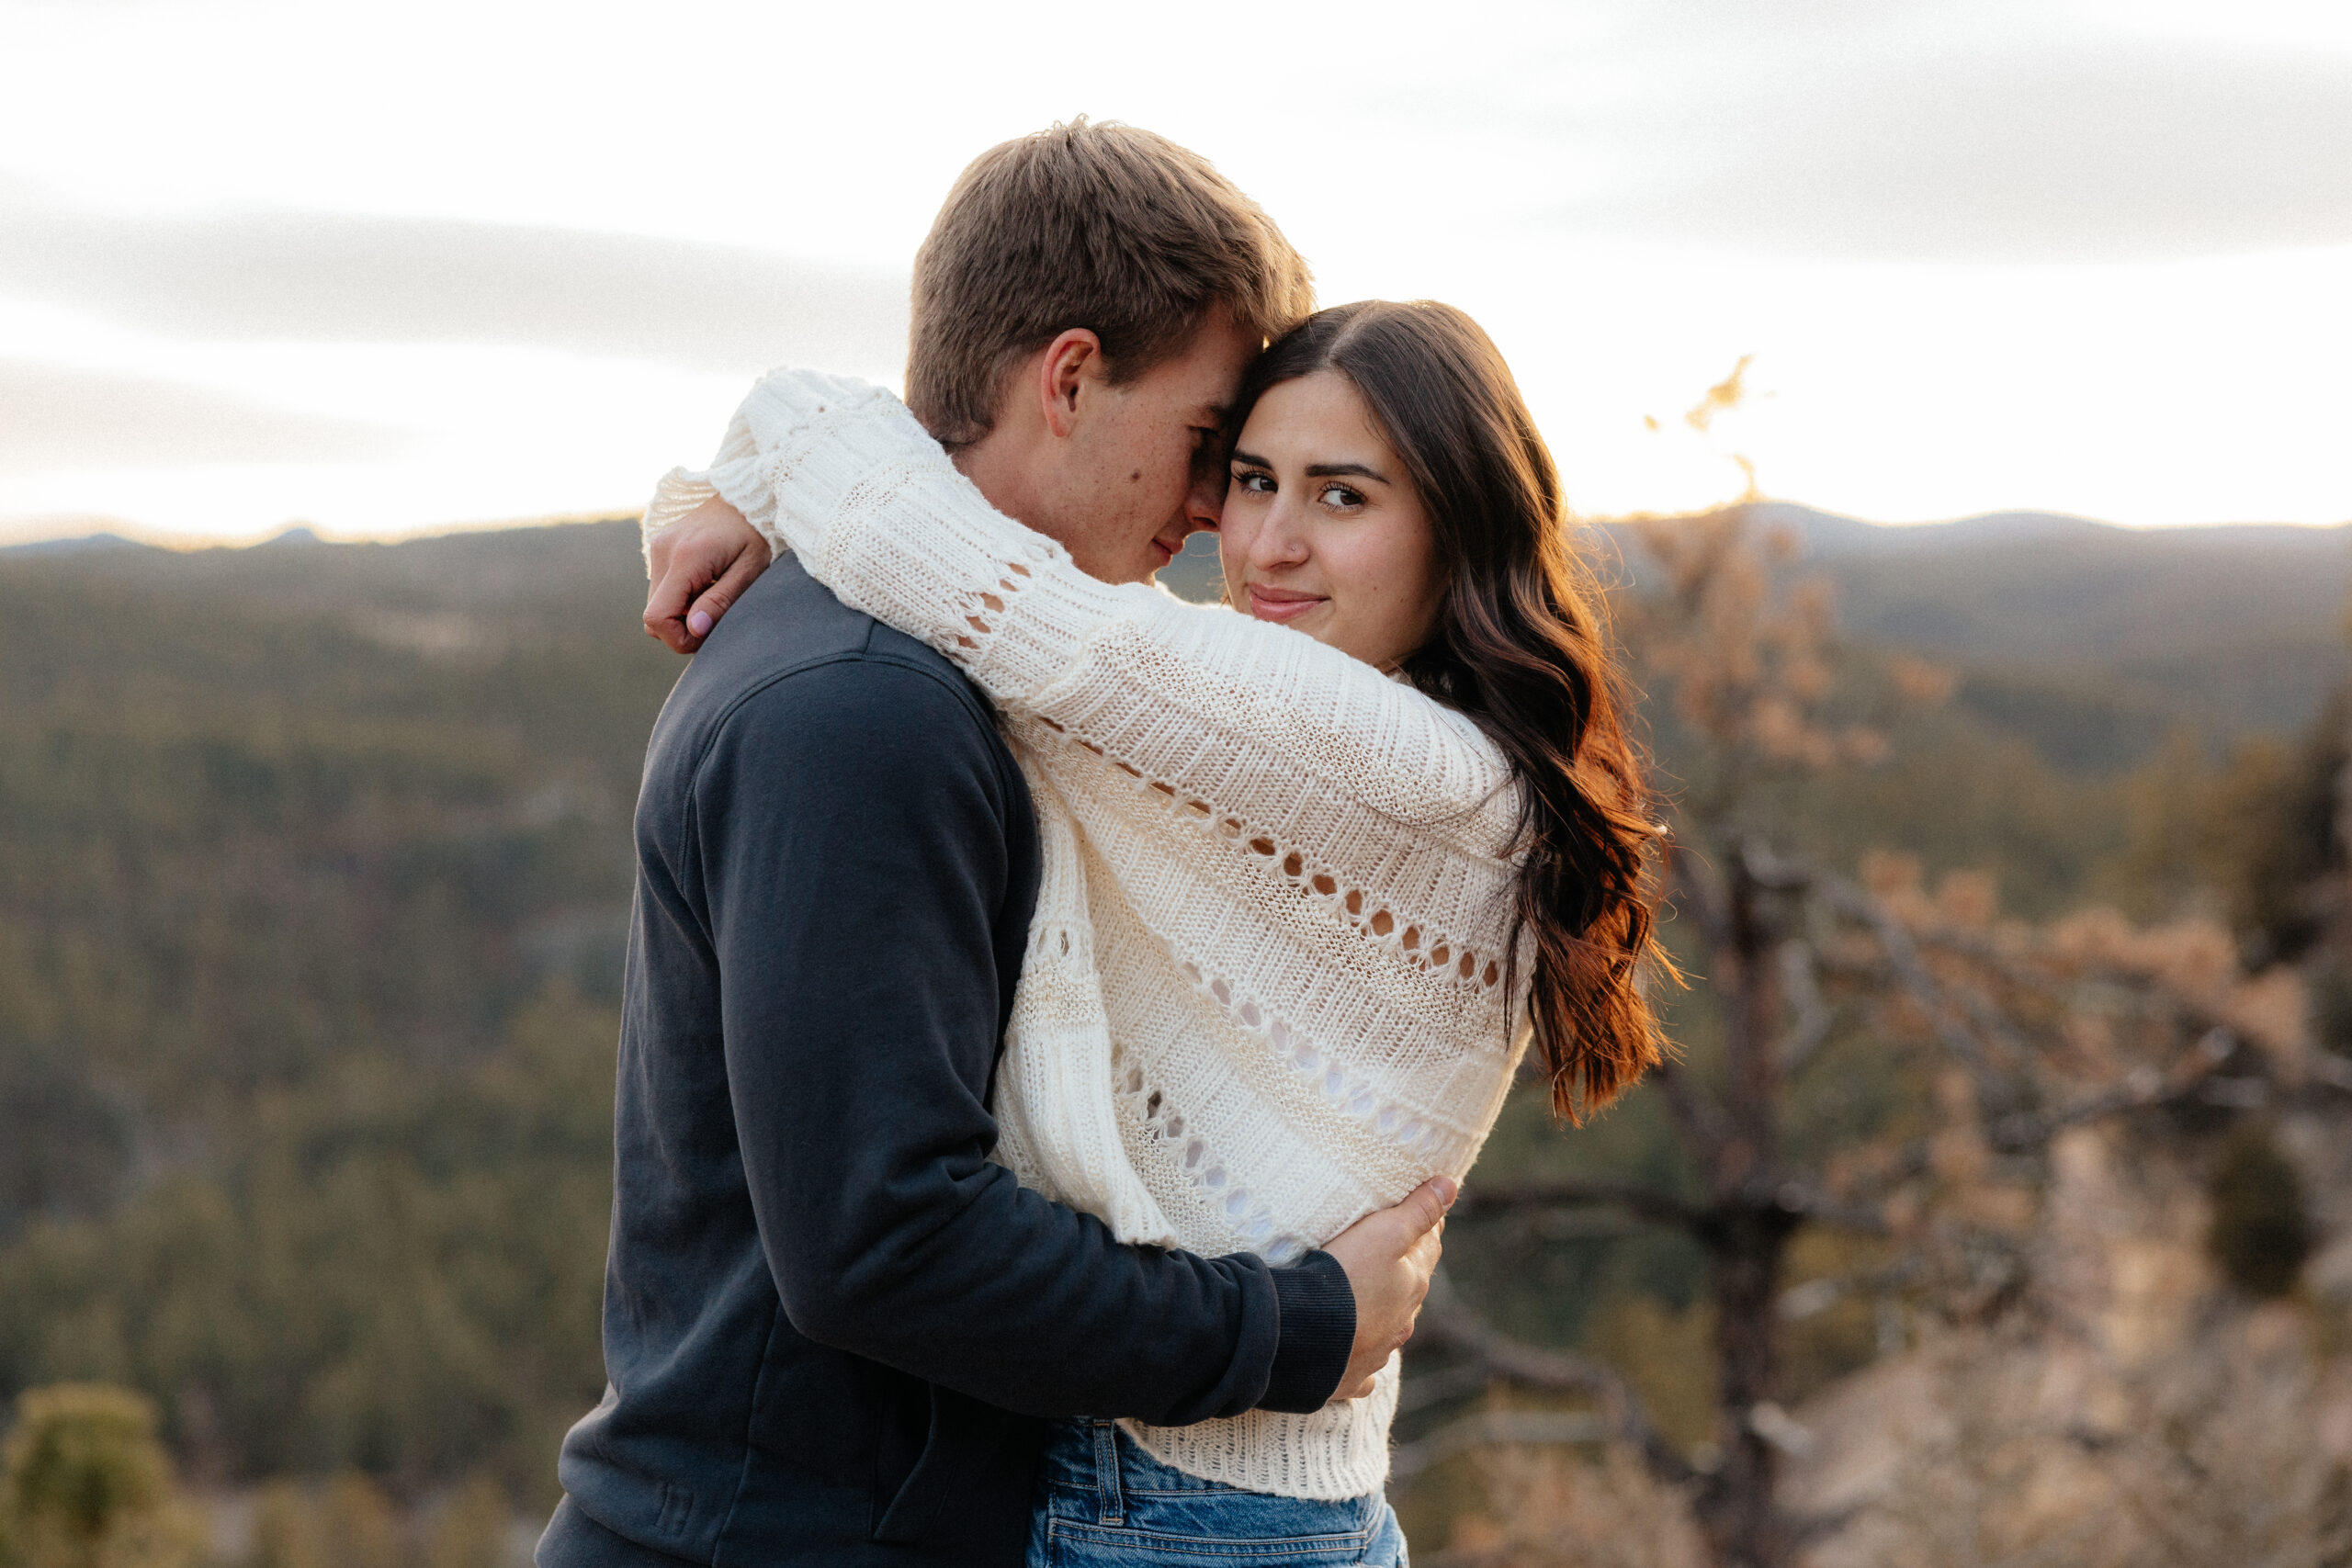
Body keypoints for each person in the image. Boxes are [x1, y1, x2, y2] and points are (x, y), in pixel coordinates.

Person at [537, 123, 1464, 1568]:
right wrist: (1291, 1327)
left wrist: (768, 468)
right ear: (1071, 379)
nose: (1224, 510)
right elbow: (886, 1241)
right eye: (1213, 445)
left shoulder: (917, 660)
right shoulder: (869, 710)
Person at [644, 290, 1673, 1565]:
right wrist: (758, 490)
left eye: (1343, 497)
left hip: (1174, 1510)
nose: (1270, 544)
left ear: (1456, 535)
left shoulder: (1400, 769)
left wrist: (750, 472)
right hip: (1223, 1496)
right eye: (1251, 479)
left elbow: (978, 592)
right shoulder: (1321, 738)